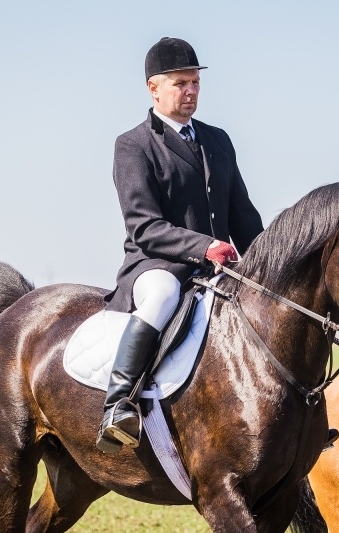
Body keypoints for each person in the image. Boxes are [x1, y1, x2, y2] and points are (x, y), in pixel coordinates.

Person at [96, 37, 264, 453]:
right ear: (154, 88)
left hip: (217, 267)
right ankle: (118, 404)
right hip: (156, 264)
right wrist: (206, 246)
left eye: (195, 83)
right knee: (161, 296)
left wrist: (266, 262)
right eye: (180, 84)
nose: (191, 92)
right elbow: (144, 225)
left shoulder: (218, 140)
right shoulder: (133, 144)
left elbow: (242, 214)